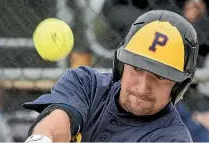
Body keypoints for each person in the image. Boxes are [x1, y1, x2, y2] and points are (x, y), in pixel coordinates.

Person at [23, 10, 199, 142]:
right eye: (137, 68)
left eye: (160, 77)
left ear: (178, 86)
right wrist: (44, 137)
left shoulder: (172, 138)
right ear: (121, 66)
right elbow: (57, 120)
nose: (142, 87)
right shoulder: (86, 84)